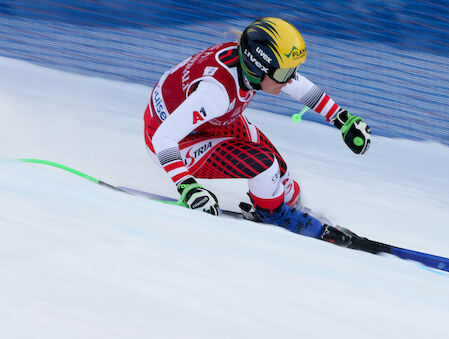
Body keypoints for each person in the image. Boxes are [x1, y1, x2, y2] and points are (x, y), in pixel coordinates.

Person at [143, 17, 371, 247]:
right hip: (174, 141)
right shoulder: (215, 94)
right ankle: (274, 214)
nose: (290, 79)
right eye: (285, 74)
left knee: (283, 176)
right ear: (257, 67)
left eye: (294, 70)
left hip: (209, 122)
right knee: (264, 165)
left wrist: (342, 119)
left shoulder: (251, 68)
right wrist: (188, 187)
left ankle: (286, 208)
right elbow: (163, 137)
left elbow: (299, 86)